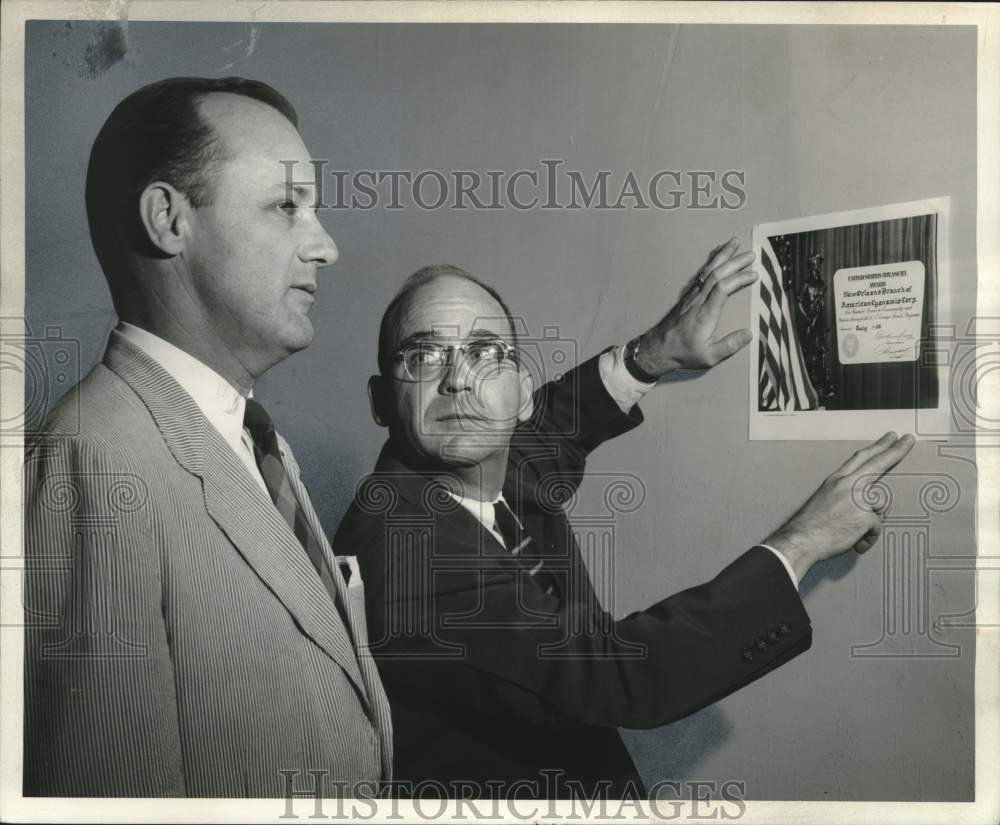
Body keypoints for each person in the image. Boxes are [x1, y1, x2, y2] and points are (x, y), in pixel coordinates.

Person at [331, 254, 914, 798]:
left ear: (520, 396)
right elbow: (615, 675)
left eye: (486, 352)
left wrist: (651, 354)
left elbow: (555, 430)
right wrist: (804, 540)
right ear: (382, 401)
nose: (460, 380)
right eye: (423, 357)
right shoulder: (404, 547)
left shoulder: (484, 463)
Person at [23, 77, 392, 797]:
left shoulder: (249, 439)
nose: (326, 246)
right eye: (287, 206)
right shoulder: (92, 462)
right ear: (169, 219)